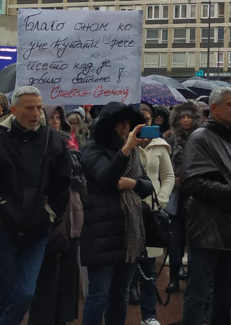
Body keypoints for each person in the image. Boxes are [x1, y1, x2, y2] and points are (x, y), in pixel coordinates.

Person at [0, 86, 71, 325]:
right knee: (9, 293)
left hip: (38, 231)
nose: (36, 113)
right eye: (29, 107)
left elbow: (63, 182)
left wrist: (51, 213)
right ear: (13, 110)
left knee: (24, 292)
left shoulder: (52, 139)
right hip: (2, 230)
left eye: (39, 107)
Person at [180, 87, 231, 325]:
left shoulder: (227, 136)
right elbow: (192, 182)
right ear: (213, 108)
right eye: (229, 105)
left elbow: (223, 174)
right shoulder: (200, 138)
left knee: (225, 295)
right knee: (198, 293)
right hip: (208, 229)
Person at [79, 102, 153, 325]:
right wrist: (126, 149)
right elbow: (106, 178)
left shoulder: (129, 152)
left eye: (129, 124)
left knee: (119, 295)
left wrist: (131, 183)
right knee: (98, 295)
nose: (125, 128)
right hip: (100, 231)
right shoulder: (92, 149)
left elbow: (148, 186)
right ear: (109, 125)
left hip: (128, 232)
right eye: (121, 124)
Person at [28, 106, 84, 325]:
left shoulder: (73, 143)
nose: (55, 121)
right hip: (49, 216)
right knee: (46, 274)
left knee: (69, 273)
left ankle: (62, 318)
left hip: (73, 215)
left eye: (58, 117)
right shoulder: (38, 144)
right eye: (51, 117)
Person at [133, 114, 174, 325]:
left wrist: (162, 200)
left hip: (152, 212)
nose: (144, 123)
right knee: (126, 265)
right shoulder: (125, 142)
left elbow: (168, 176)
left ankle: (149, 315)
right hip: (128, 211)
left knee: (148, 266)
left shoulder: (160, 145)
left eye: (147, 118)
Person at [165, 101, 205, 295]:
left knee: (195, 241)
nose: (186, 120)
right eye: (183, 117)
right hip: (176, 196)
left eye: (189, 117)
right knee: (175, 240)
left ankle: (193, 280)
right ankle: (173, 278)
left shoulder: (201, 139)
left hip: (196, 196)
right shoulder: (171, 141)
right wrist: (174, 178)